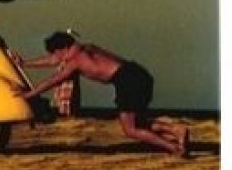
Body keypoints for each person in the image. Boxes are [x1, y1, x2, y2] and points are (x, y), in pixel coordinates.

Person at [12, 31, 189, 157]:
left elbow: (53, 80)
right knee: (138, 122)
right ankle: (176, 130)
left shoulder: (76, 61)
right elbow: (53, 60)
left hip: (127, 81)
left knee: (130, 129)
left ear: (64, 48)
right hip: (137, 74)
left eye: (56, 53)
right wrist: (25, 63)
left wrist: (30, 94)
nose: (55, 58)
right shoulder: (87, 48)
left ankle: (173, 148)